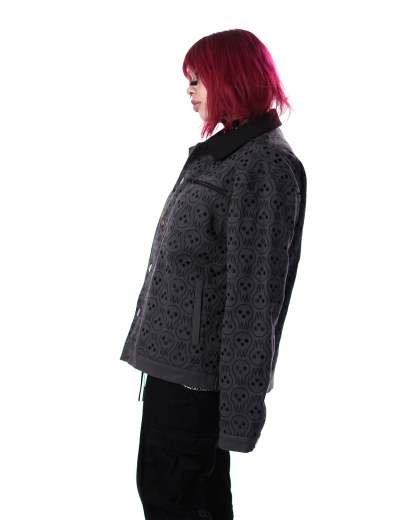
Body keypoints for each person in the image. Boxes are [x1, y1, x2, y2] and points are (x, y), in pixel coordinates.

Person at [120, 28, 307, 519]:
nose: (189, 90)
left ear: (233, 78)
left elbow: (255, 299)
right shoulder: (226, 152)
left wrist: (239, 417)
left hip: (195, 386)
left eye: (199, 78)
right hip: (174, 374)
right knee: (181, 500)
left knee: (174, 502)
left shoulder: (264, 164)